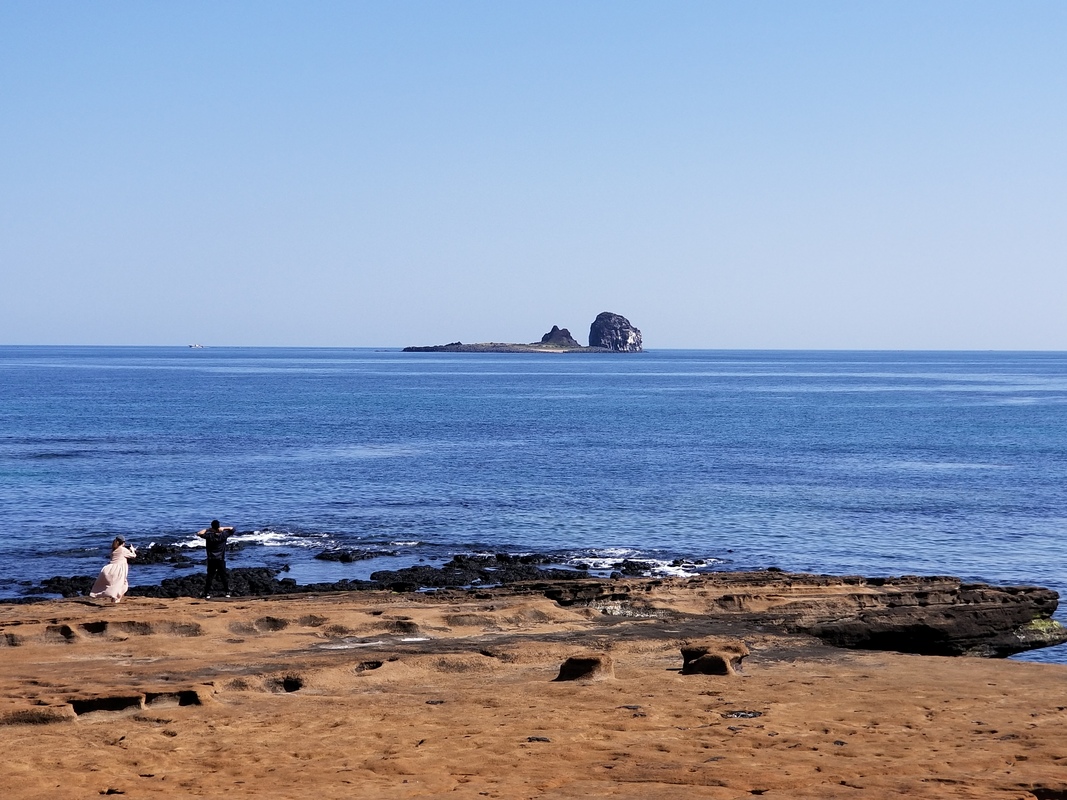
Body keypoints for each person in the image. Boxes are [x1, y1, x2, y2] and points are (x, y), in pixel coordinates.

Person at [89, 536, 137, 603]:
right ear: (123, 543)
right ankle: (116, 599)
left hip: (110, 568)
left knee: (115, 585)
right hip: (119, 569)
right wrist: (132, 550)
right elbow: (133, 556)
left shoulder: (113, 550)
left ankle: (114, 598)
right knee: (123, 585)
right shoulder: (123, 549)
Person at [196, 519, 235, 598]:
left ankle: (207, 593)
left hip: (211, 559)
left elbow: (199, 533)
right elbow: (233, 529)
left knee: (210, 576)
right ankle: (227, 592)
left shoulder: (209, 536)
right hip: (220, 559)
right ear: (219, 526)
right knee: (223, 576)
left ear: (212, 527)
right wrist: (223, 528)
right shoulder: (223, 535)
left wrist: (208, 529)